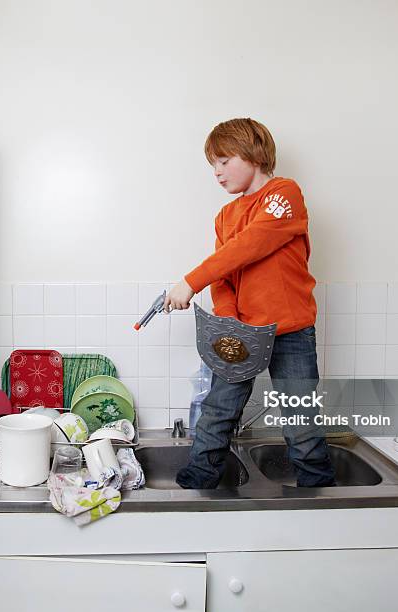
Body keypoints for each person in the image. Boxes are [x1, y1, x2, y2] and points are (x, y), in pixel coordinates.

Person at [164, 117, 336, 489]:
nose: (217, 172)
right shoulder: (225, 216)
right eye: (213, 165)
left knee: (300, 419)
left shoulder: (283, 194)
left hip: (291, 333)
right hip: (242, 332)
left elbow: (250, 245)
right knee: (218, 411)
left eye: (224, 161)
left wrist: (190, 282)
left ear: (252, 154)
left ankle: (318, 490)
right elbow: (224, 277)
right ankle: (198, 483)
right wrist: (230, 323)